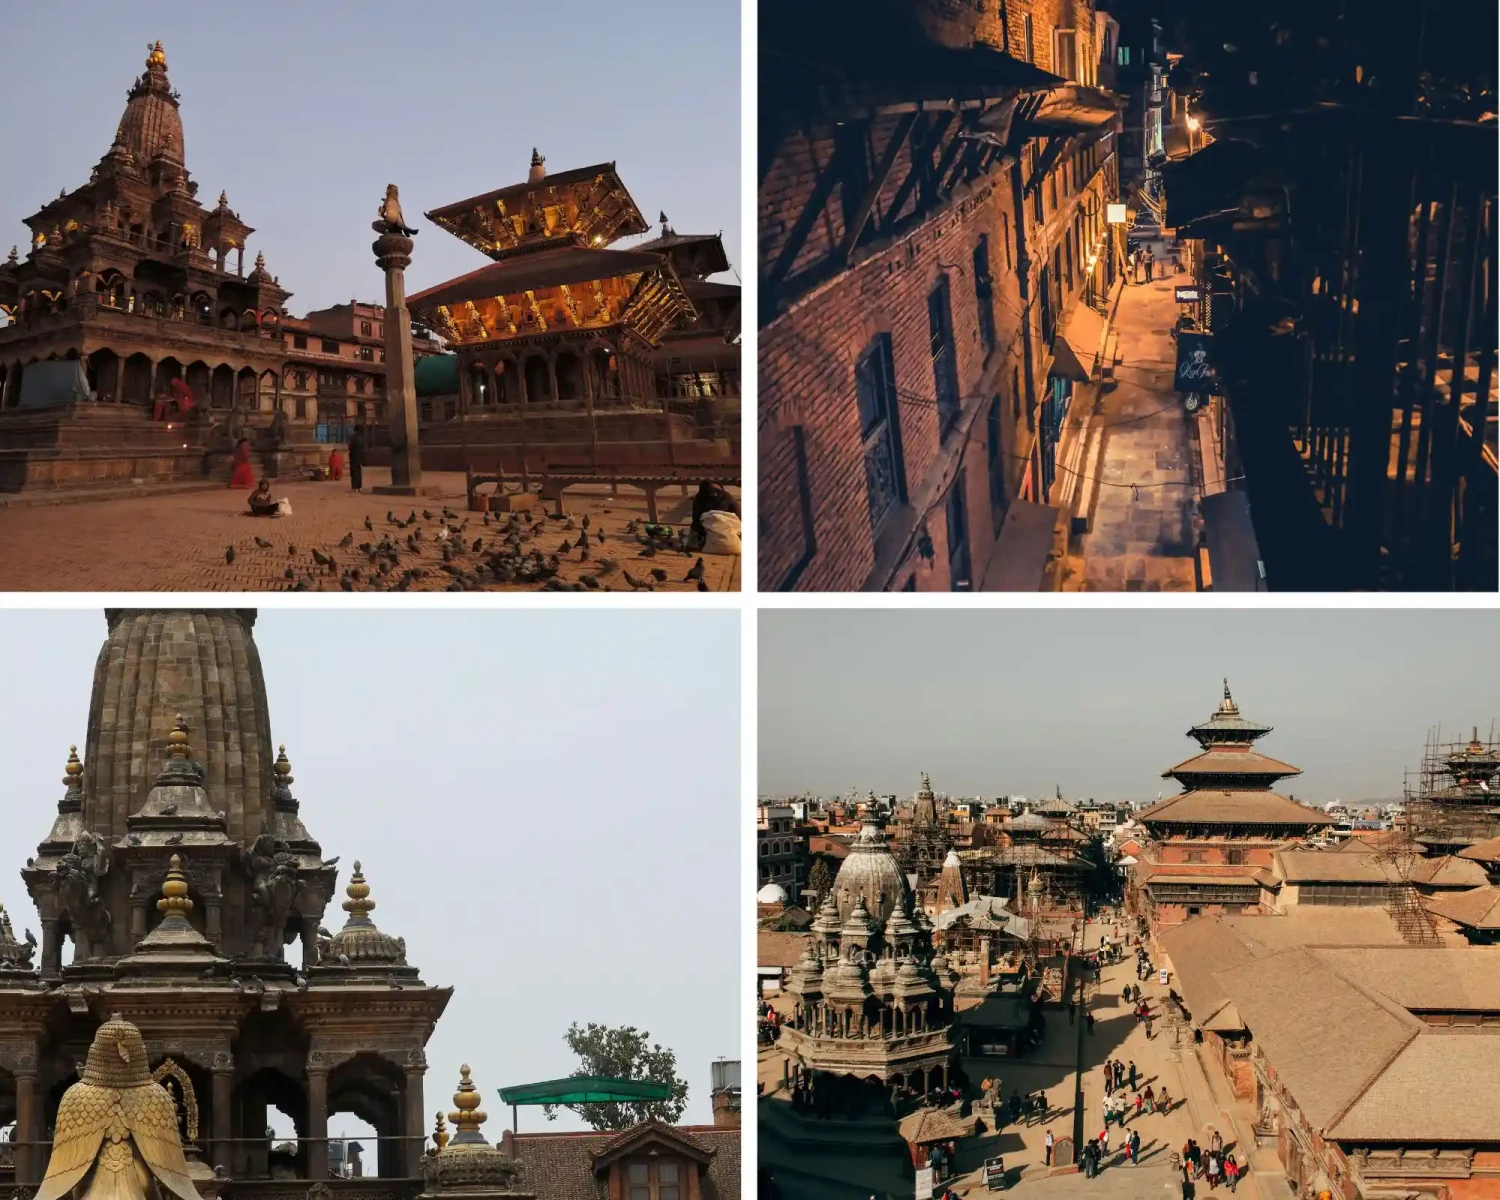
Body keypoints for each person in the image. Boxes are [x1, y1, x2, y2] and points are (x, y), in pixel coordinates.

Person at [348, 424, 366, 492]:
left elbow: (350, 447)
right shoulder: (363, 438)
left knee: (354, 472)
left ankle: (354, 487)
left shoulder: (354, 437)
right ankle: (359, 486)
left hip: (353, 456)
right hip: (360, 456)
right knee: (359, 472)